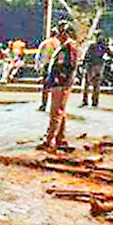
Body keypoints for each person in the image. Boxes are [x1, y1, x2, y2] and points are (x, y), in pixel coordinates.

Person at [39, 21, 78, 150]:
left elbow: (68, 66)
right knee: (60, 112)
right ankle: (60, 138)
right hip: (60, 82)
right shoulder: (64, 46)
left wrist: (58, 78)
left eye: (60, 33)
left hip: (60, 83)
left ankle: (49, 139)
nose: (58, 36)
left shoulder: (68, 47)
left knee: (55, 112)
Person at [80, 31, 112, 108]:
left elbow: (86, 55)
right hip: (100, 65)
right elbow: (110, 54)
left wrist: (83, 64)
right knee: (96, 84)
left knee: (86, 84)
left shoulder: (91, 45)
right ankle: (95, 101)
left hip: (91, 65)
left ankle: (85, 101)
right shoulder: (104, 45)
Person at [37, 29, 60, 112]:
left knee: (45, 87)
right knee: (56, 87)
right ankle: (55, 106)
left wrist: (39, 66)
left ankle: (44, 104)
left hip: (47, 65)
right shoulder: (58, 43)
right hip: (56, 66)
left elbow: (39, 55)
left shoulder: (45, 43)